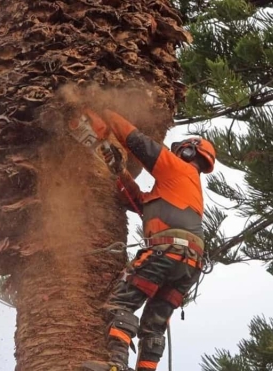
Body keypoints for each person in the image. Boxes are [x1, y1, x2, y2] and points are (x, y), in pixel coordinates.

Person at [78, 108, 216, 371]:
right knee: (154, 325)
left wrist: (105, 112)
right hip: (189, 264)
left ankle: (115, 365)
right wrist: (118, 169)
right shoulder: (179, 191)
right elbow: (137, 201)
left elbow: (137, 142)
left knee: (121, 302)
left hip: (167, 251)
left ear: (188, 152)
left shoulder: (178, 169)